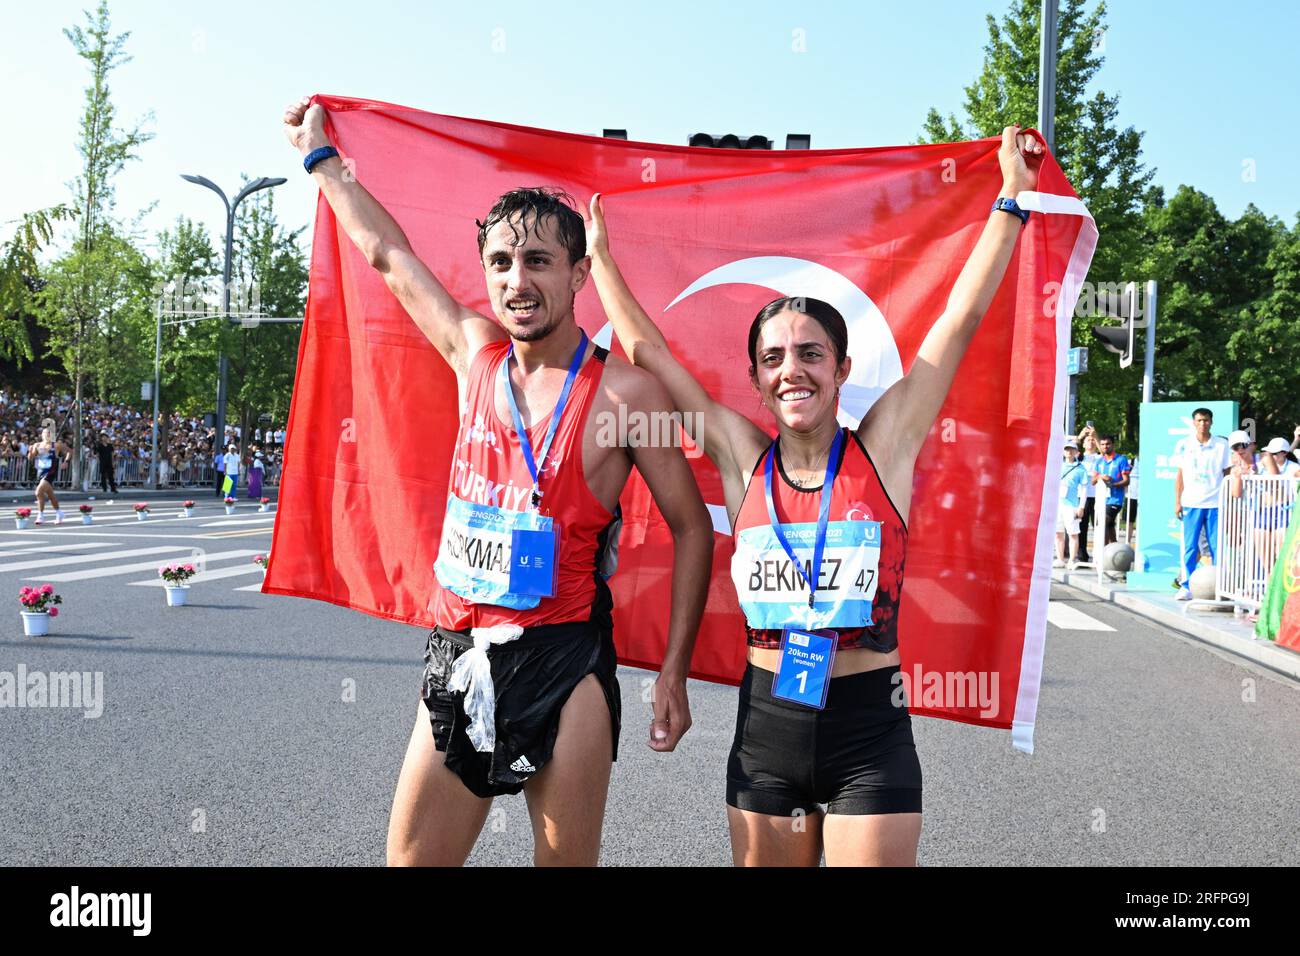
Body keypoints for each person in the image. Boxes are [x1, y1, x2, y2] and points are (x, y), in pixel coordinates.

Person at [589, 125, 1044, 866]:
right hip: (767, 730)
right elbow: (652, 356)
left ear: (840, 368)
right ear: (757, 379)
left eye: (809, 353)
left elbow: (955, 326)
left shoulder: (884, 445)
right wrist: (601, 258)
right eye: (773, 358)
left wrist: (1011, 200)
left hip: (871, 734)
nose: (791, 369)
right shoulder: (742, 459)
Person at [283, 96, 713, 867]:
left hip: (564, 662)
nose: (519, 281)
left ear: (580, 273)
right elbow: (388, 256)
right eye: (502, 264)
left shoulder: (627, 397)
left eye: (540, 262)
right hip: (460, 645)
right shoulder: (470, 352)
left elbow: (689, 525)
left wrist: (675, 670)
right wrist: (321, 161)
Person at [1172, 408, 1231, 600]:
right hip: (1191, 502)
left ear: (1211, 422)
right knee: (1189, 547)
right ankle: (1187, 585)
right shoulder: (1184, 444)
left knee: (1216, 547)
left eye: (1206, 420)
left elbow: (1227, 473)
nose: (1203, 424)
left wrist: (1227, 499)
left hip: (1215, 503)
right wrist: (1178, 501)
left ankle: (1219, 586)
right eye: (1199, 420)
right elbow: (1179, 475)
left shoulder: (1222, 445)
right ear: (1193, 422)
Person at [1093, 435, 1131, 548]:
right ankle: (1115, 549)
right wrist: (1100, 477)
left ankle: (1103, 551)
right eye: (1103, 444)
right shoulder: (1099, 461)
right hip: (1101, 500)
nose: (1105, 447)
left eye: (1108, 444)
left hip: (1115, 500)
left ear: (1113, 445)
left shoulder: (1121, 459)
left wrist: (1112, 484)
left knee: (1104, 522)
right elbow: (1092, 481)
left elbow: (1126, 481)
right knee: (1109, 525)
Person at [27, 426, 70, 525]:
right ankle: (59, 513)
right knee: (50, 495)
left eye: (49, 434)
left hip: (51, 472)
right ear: (42, 435)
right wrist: (30, 451)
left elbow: (69, 452)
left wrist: (66, 461)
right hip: (41, 472)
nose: (47, 435)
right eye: (45, 433)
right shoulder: (37, 445)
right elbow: (30, 458)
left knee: (38, 492)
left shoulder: (56, 445)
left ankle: (40, 516)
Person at [1056, 440, 1088, 568]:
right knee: (1058, 533)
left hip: (1072, 505)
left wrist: (1081, 506)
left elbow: (1084, 489)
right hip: (1058, 504)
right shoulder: (1058, 465)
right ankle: (1060, 559)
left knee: (1073, 533)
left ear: (1076, 452)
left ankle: (1072, 559)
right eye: (1066, 449)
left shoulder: (1080, 468)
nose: (1068, 452)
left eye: (1071, 449)